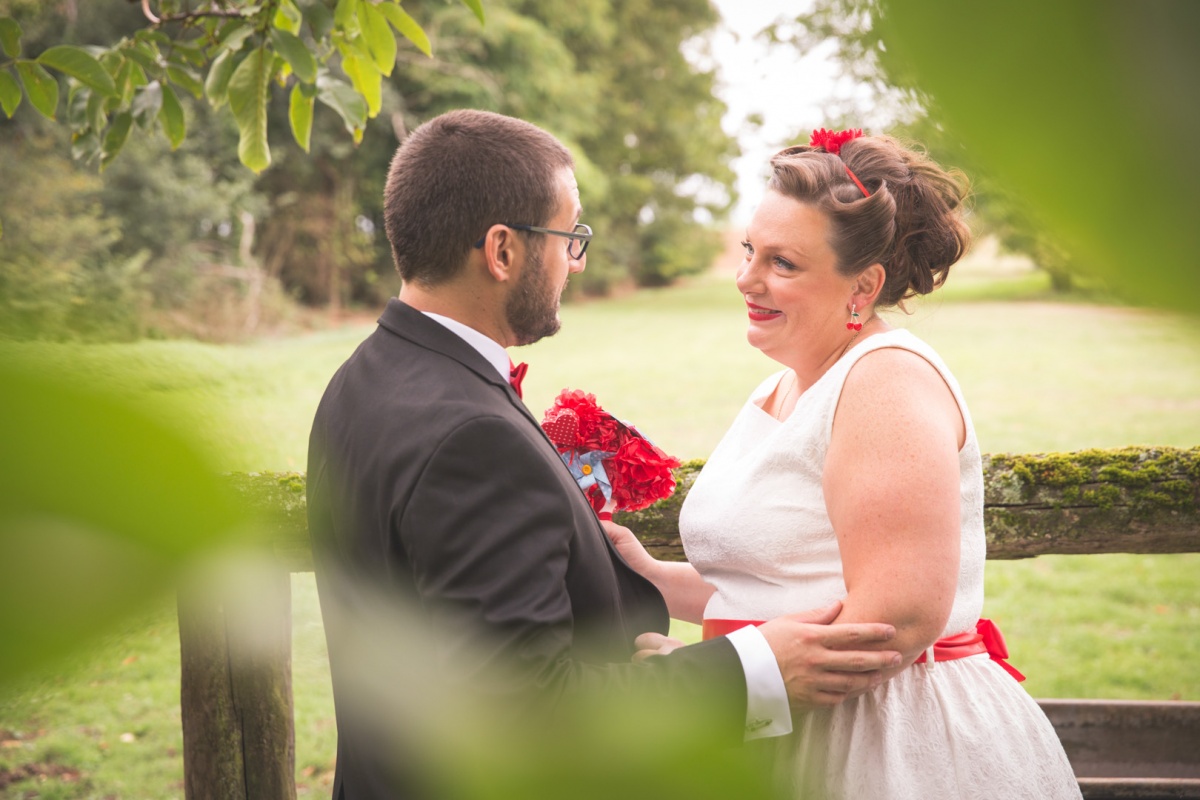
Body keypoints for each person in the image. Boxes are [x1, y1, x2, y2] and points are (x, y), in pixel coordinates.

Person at [306, 110, 903, 799]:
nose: (575, 261)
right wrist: (755, 670)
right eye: (568, 237)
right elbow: (531, 714)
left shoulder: (362, 380)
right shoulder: (473, 438)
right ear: (502, 251)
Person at [604, 129, 1082, 798]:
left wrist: (708, 675)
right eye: (749, 250)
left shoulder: (886, 383)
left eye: (783, 264)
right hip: (788, 733)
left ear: (864, 285)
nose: (746, 278)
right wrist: (649, 577)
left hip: (885, 747)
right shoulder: (787, 380)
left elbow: (893, 623)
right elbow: (780, 582)